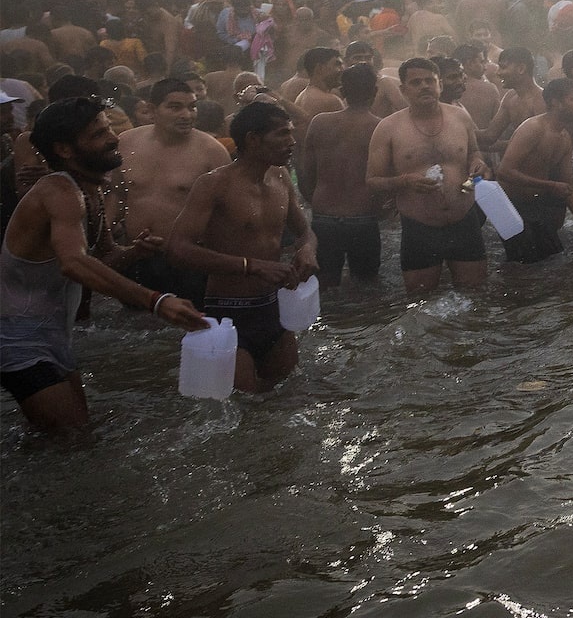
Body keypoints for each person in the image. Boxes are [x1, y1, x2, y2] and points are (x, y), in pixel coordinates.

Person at [3, 97, 210, 433]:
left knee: (66, 439)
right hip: (18, 338)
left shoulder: (92, 191)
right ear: (65, 149)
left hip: (55, 337)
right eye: (98, 134)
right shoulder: (58, 191)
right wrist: (155, 300)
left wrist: (135, 252)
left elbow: (100, 261)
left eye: (110, 127)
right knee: (74, 438)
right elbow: (73, 264)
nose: (114, 137)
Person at [165, 101, 319, 393]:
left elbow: (305, 231)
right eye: (282, 134)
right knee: (240, 411)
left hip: (274, 311)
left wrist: (307, 249)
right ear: (252, 139)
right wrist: (251, 266)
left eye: (291, 133)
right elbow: (177, 249)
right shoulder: (214, 184)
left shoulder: (281, 177)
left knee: (284, 402)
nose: (292, 141)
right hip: (228, 314)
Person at [367, 57, 490, 293]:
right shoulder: (388, 128)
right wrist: (405, 181)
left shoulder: (460, 117)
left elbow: (475, 153)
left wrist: (478, 165)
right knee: (421, 302)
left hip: (464, 220)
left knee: (476, 297)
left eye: (429, 81)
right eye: (415, 82)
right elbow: (372, 181)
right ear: (403, 90)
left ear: (440, 85)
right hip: (419, 227)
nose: (424, 86)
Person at [114, 77, 230, 307]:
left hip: (188, 262)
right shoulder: (126, 143)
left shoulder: (211, 151)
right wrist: (110, 241)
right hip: (135, 256)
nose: (187, 115)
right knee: (135, 328)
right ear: (151, 109)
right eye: (175, 107)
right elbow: (116, 195)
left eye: (192, 107)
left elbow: (227, 212)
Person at [496, 78, 573, 263]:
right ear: (555, 102)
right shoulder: (533, 128)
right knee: (522, 267)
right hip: (508, 207)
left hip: (536, 206)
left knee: (551, 259)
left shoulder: (563, 137)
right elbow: (504, 171)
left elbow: (570, 188)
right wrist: (550, 185)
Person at [298, 63, 385, 287]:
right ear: (374, 92)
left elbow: (305, 173)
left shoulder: (319, 123)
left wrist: (315, 200)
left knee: (324, 286)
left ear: (342, 91)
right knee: (367, 287)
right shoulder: (380, 127)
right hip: (363, 218)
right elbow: (384, 180)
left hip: (324, 217)